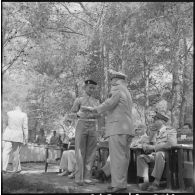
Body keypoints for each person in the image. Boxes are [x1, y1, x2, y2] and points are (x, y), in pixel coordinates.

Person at [85, 69, 134, 193]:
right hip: (127, 128)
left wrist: (94, 109)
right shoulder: (127, 91)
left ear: (116, 80)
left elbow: (109, 103)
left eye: (112, 79)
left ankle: (117, 184)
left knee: (117, 157)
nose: (111, 81)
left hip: (117, 128)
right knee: (123, 158)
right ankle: (121, 183)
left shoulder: (117, 89)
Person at [69, 79, 100, 186]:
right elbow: (71, 114)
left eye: (93, 88)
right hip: (81, 124)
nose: (91, 90)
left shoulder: (97, 101)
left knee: (91, 152)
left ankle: (87, 177)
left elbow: (100, 114)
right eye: (89, 87)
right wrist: (78, 114)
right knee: (80, 151)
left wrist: (95, 112)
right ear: (85, 88)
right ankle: (79, 178)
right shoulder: (79, 100)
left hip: (93, 125)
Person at [136, 112, 177, 191]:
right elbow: (148, 141)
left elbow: (171, 144)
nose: (154, 121)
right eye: (154, 120)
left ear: (162, 121)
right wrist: (145, 145)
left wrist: (153, 147)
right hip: (155, 154)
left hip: (168, 155)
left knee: (159, 154)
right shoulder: (155, 132)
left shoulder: (171, 130)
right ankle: (146, 181)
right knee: (140, 157)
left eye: (156, 120)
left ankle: (156, 182)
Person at [2, 106, 28, 173]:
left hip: (8, 135)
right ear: (20, 109)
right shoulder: (24, 115)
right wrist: (26, 138)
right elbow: (25, 127)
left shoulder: (9, 113)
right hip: (17, 136)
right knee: (15, 153)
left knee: (5, 152)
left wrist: (3, 134)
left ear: (14, 108)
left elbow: (5, 124)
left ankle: (3, 168)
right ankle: (14, 170)